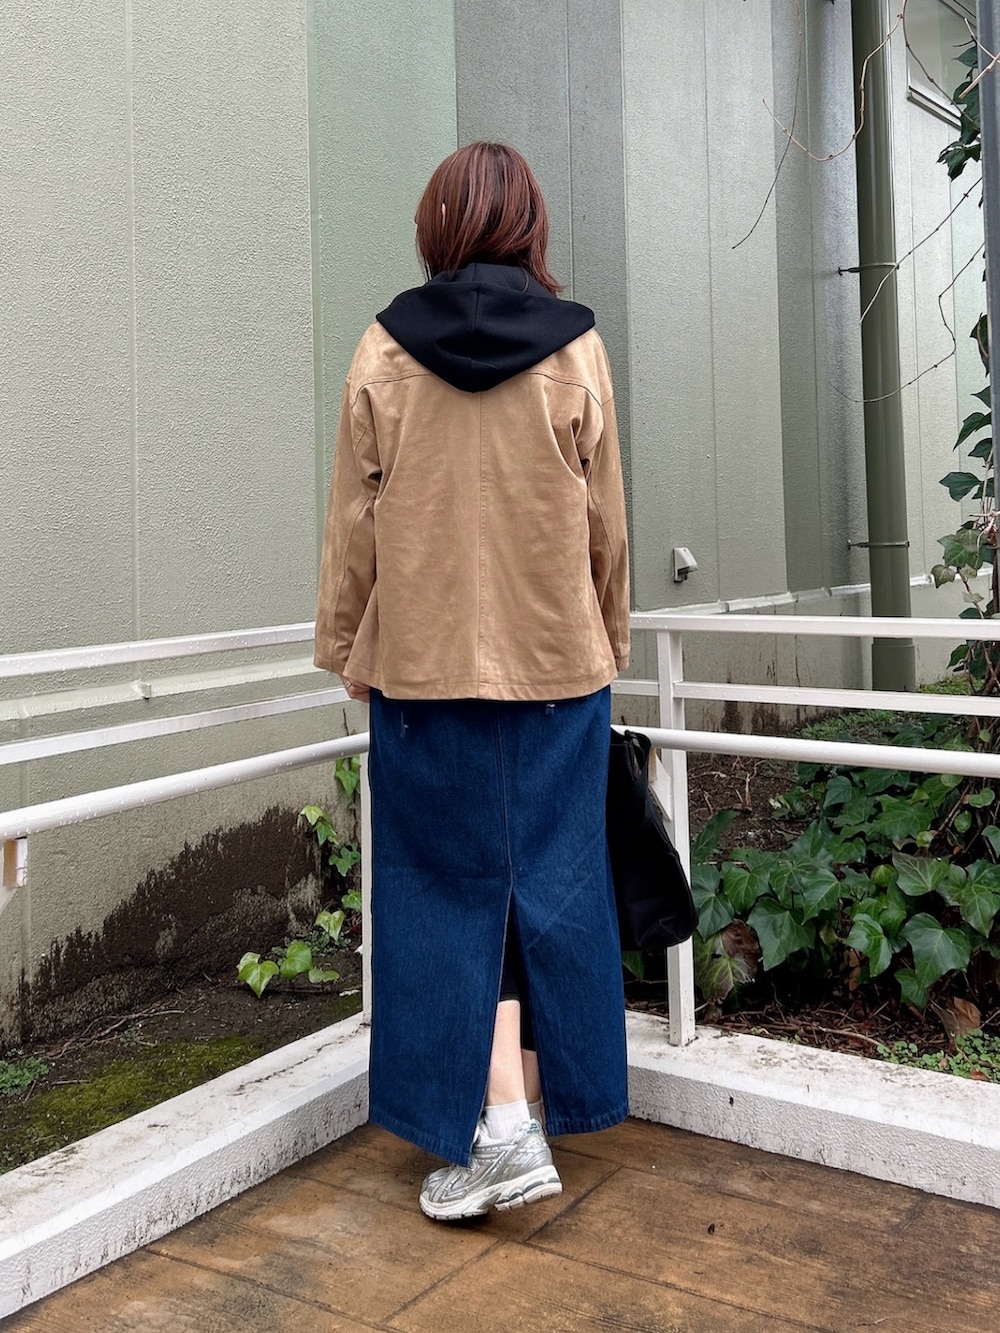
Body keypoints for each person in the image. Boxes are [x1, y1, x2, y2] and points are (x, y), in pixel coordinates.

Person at [314, 141, 630, 1221]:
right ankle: (523, 1111)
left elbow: (355, 521)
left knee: (442, 890)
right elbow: (604, 521)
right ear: (529, 226)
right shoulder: (575, 347)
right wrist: (608, 638)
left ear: (436, 228)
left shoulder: (384, 348)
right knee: (553, 883)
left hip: (424, 671)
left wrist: (345, 646)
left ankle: (499, 1129)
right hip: (558, 671)